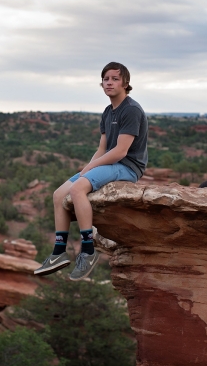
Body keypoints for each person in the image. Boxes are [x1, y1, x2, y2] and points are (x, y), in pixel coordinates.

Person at [34, 62, 148, 280]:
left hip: (128, 167)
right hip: (109, 163)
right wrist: (87, 167)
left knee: (78, 190)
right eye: (106, 79)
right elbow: (102, 149)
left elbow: (121, 151)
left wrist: (89, 169)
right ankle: (59, 252)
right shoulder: (108, 111)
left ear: (125, 83)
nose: (110, 83)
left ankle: (88, 250)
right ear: (101, 83)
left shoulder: (131, 110)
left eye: (115, 78)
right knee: (59, 195)